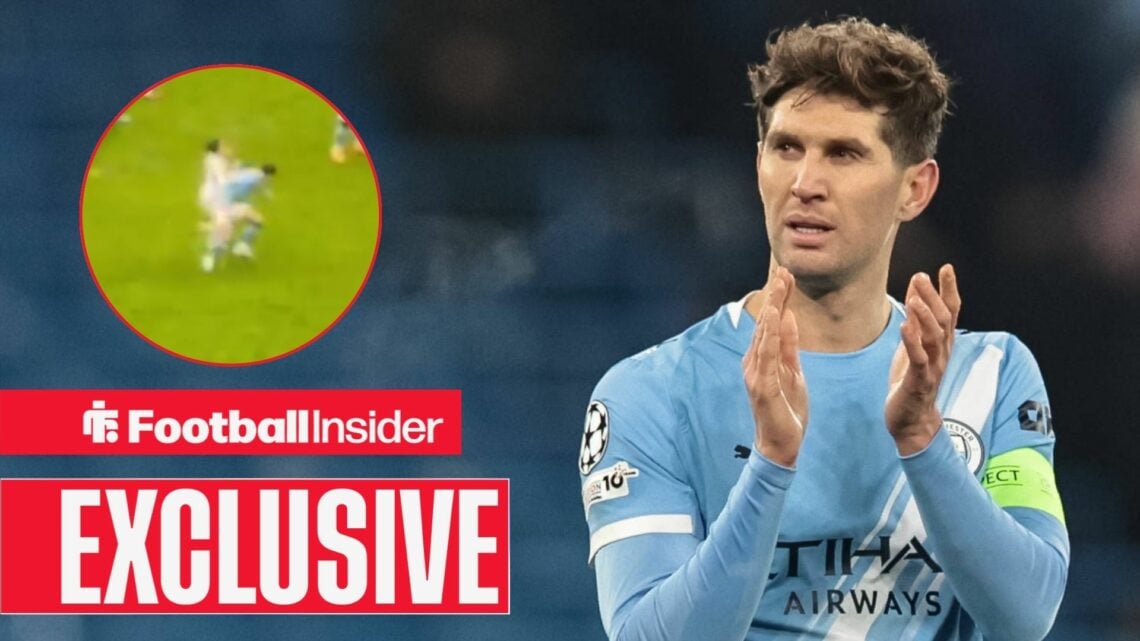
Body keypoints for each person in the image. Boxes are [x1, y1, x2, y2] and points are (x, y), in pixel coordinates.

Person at [578, 17, 1068, 641]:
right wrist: (772, 463)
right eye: (787, 148)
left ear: (914, 188)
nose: (806, 184)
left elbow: (1026, 615)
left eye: (844, 153)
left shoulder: (991, 375)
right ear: (759, 165)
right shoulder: (650, 392)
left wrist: (923, 437)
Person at [201, 163, 276, 273]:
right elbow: (235, 185)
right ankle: (211, 257)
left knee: (256, 220)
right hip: (226, 205)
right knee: (225, 235)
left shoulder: (253, 173)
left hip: (227, 204)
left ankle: (240, 246)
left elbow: (236, 177)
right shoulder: (255, 178)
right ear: (269, 175)